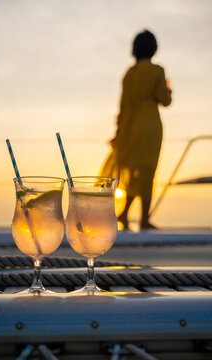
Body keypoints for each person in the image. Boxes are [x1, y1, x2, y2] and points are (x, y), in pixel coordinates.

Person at [100, 30, 172, 230]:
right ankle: (143, 219)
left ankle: (123, 214)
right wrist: (168, 90)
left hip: (130, 128)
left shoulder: (129, 74)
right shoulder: (157, 70)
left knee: (131, 173)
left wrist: (118, 131)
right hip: (149, 127)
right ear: (154, 49)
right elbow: (164, 100)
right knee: (147, 172)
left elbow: (122, 106)